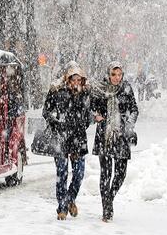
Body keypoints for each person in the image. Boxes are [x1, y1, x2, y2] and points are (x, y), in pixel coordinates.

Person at [91, 61, 138, 222]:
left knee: (121, 174)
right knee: (106, 174)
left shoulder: (126, 89)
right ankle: (107, 210)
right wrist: (95, 116)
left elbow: (134, 109)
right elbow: (90, 107)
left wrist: (129, 124)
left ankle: (109, 198)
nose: (117, 78)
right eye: (113, 74)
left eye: (119, 74)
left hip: (121, 135)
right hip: (104, 135)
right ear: (108, 74)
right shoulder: (100, 89)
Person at [42, 65, 91, 220]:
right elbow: (46, 111)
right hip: (61, 138)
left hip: (79, 139)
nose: (76, 82)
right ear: (67, 79)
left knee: (79, 174)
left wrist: (85, 122)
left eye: (79, 80)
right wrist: (56, 123)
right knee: (62, 174)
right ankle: (62, 208)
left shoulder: (86, 93)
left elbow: (89, 113)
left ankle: (70, 199)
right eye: (73, 79)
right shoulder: (57, 91)